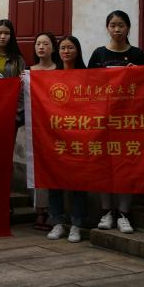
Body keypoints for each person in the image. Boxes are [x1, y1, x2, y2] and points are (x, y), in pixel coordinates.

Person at [89, 10, 144, 234]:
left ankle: (124, 214)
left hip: (129, 121)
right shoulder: (98, 54)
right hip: (103, 120)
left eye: (121, 25)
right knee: (104, 166)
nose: (117, 29)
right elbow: (87, 85)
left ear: (128, 28)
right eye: (113, 25)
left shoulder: (138, 54)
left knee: (126, 167)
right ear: (107, 28)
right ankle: (105, 212)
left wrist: (139, 73)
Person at [48, 35, 87, 243]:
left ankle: (76, 224)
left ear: (77, 50)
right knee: (54, 180)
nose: (66, 51)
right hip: (56, 136)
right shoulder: (51, 76)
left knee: (79, 181)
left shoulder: (88, 76)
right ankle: (57, 222)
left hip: (81, 136)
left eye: (70, 47)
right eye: (62, 48)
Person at [28, 32, 58, 232]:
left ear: (53, 48)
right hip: (37, 126)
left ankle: (56, 211)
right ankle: (40, 210)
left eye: (45, 44)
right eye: (38, 43)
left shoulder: (60, 70)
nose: (41, 47)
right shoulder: (29, 71)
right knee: (38, 167)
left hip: (57, 126)